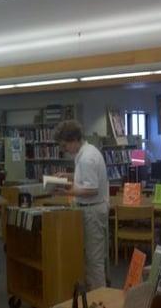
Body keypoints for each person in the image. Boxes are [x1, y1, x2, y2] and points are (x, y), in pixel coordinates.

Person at [53, 120, 109, 290]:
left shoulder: (86, 158)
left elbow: (91, 189)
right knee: (93, 258)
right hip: (93, 209)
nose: (65, 150)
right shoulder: (88, 152)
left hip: (91, 211)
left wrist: (67, 192)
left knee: (94, 260)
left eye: (65, 145)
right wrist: (69, 175)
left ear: (74, 140)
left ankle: (101, 299)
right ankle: (96, 294)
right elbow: (86, 178)